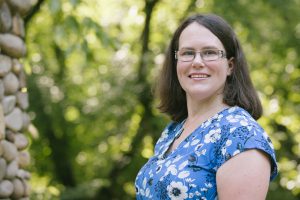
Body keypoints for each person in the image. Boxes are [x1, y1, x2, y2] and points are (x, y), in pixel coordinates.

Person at [135, 13, 278, 200]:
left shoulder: (242, 136)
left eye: (209, 52)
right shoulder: (173, 131)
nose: (197, 62)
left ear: (230, 66)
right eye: (187, 53)